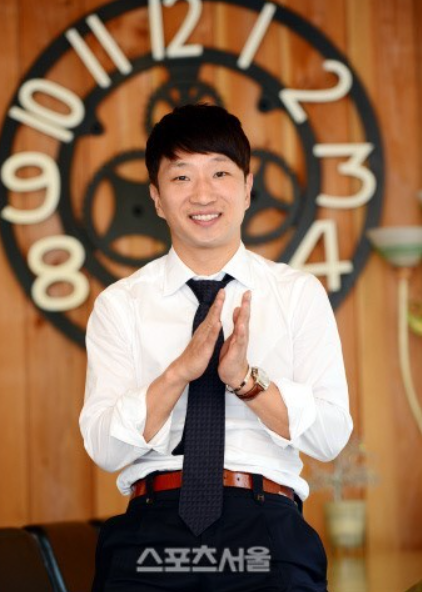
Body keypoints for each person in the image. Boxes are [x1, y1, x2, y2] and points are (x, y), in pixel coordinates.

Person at [80, 103, 353, 592]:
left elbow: (330, 437)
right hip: (153, 527)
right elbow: (105, 449)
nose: (202, 194)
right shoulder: (120, 305)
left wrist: (246, 382)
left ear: (247, 188)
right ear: (156, 198)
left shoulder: (297, 294)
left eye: (220, 173)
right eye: (181, 177)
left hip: (266, 528)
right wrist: (176, 376)